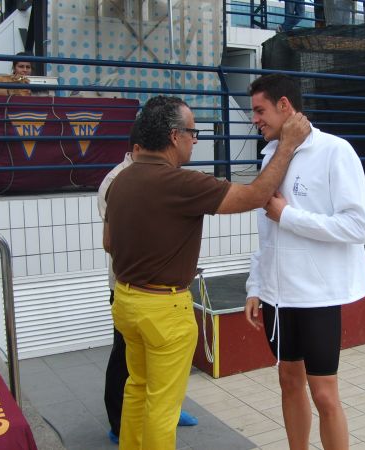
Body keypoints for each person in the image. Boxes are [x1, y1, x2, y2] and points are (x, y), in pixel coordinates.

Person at [105, 95, 310, 450]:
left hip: (126, 302)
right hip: (163, 311)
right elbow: (255, 195)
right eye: (192, 132)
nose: (195, 140)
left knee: (137, 387)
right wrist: (288, 144)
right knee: (163, 407)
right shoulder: (182, 184)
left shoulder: (121, 180)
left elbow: (109, 242)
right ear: (173, 136)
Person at [244, 74, 365, 450]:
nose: (255, 119)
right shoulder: (269, 156)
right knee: (287, 381)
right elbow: (266, 234)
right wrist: (255, 286)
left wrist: (289, 216)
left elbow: (356, 225)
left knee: (325, 395)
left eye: (259, 110)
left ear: (285, 105)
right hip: (277, 298)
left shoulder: (335, 151)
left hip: (316, 297)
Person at [97, 118, 198, 445]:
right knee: (126, 365)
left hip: (152, 290)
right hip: (132, 288)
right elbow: (111, 240)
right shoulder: (117, 180)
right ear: (138, 147)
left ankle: (164, 409)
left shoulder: (163, 176)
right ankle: (118, 421)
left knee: (154, 377)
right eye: (189, 133)